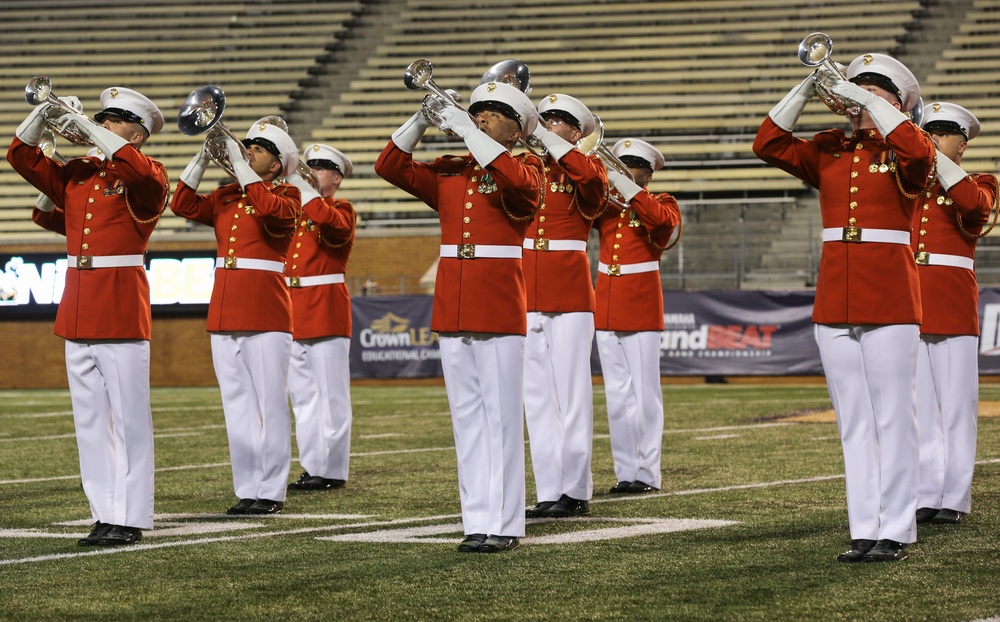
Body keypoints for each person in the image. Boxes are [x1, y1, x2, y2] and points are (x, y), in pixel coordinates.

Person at [754, 53, 937, 562]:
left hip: (890, 299)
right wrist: (807, 88)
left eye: (874, 90)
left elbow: (917, 149)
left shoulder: (907, 150)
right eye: (854, 88)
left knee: (894, 417)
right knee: (853, 420)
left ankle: (897, 529)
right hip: (835, 298)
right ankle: (865, 526)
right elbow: (767, 142)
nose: (857, 96)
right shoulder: (830, 148)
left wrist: (871, 105)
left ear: (897, 103)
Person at [375, 80, 544, 553]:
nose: (482, 116)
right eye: (478, 111)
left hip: (497, 302)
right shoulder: (452, 170)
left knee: (503, 420)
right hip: (453, 303)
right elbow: (389, 165)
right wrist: (421, 121)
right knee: (467, 420)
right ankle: (476, 520)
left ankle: (506, 524)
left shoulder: (526, 166)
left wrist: (471, 135)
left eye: (494, 112)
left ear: (516, 128)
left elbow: (520, 191)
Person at [8, 86, 169, 546]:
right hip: (78, 306)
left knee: (129, 419)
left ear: (134, 134)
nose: (100, 123)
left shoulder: (149, 175)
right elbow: (21, 156)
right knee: (91, 423)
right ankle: (104, 512)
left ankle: (131, 516)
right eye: (99, 118)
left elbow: (138, 169)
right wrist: (45, 113)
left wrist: (85, 127)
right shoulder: (80, 173)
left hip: (119, 307)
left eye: (111, 120)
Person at [170, 119, 301, 516]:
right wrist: (202, 158)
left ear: (276, 165)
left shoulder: (288, 194)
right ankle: (248, 488)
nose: (247, 153)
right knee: (237, 405)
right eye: (246, 147)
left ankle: (272, 490)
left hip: (265, 311)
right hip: (225, 310)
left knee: (270, 405)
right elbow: (180, 204)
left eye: (257, 150)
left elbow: (268, 209)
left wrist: (239, 169)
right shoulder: (228, 195)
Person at [522, 94, 608, 519]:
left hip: (569, 293)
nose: (546, 125)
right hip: (524, 291)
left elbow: (592, 185)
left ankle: (575, 490)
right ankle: (548, 488)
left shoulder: (587, 167)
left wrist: (551, 142)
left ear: (576, 133)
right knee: (537, 400)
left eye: (556, 121)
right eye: (543, 119)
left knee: (571, 396)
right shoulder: (525, 167)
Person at [912, 102, 997, 525]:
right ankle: (928, 491)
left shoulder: (981, 182)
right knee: (923, 408)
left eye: (941, 134)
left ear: (961, 144)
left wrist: (937, 162)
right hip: (912, 300)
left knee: (957, 408)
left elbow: (973, 206)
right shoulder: (912, 185)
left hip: (953, 301)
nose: (931, 139)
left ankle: (956, 497)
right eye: (928, 132)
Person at [594, 139, 680, 497]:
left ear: (647, 172)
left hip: (641, 304)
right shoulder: (607, 204)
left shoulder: (662, 202)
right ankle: (626, 471)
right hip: (607, 302)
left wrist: (628, 187)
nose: (623, 169)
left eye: (631, 165)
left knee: (645, 394)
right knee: (616, 395)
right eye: (619, 162)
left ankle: (647, 473)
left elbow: (662, 225)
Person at [284, 144, 356, 492]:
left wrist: (305, 188)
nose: (310, 171)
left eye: (319, 168)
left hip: (326, 308)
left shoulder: (341, 209)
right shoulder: (295, 210)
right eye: (306, 166)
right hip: (290, 307)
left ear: (336, 177)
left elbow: (330, 223)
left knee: (332, 396)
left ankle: (333, 469)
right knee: (304, 399)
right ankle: (313, 466)